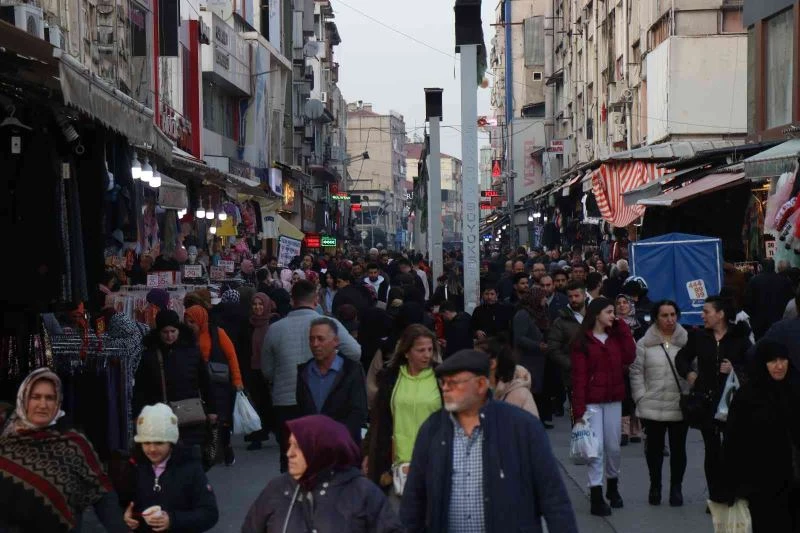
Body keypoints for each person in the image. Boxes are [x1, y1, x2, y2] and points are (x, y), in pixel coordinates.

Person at [400, 349, 579, 533]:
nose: (445, 388)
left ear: (481, 384)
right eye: (443, 382)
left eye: (454, 382)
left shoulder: (522, 428)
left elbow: (554, 500)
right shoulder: (432, 430)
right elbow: (413, 501)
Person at [0, 369, 126, 532]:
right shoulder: (6, 441)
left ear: (58, 401)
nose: (43, 404)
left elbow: (102, 493)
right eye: (35, 397)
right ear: (23, 399)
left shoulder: (74, 443)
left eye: (50, 398)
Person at [262, 280, 362, 472]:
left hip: (285, 401)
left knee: (291, 461)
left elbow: (267, 370)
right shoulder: (329, 325)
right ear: (316, 299)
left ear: (292, 300)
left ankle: (293, 496)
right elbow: (355, 352)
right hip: (321, 400)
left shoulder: (275, 329)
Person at [242, 415, 403, 533]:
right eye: (289, 445)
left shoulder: (363, 493)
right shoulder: (277, 488)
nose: (289, 453)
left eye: (298, 447)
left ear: (322, 450)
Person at [675, 295, 752, 503]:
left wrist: (735, 369)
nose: (703, 315)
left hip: (732, 403)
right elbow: (682, 357)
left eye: (707, 311)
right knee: (712, 450)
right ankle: (715, 495)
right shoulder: (699, 337)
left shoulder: (739, 338)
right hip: (706, 402)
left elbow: (753, 365)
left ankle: (732, 491)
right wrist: (689, 374)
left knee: (732, 448)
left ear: (721, 314)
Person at [717, 340, 800, 532]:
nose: (779, 366)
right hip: (760, 485)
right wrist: (729, 486)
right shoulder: (747, 397)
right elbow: (733, 442)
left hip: (794, 482)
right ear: (762, 363)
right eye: (772, 361)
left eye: (783, 360)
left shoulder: (795, 390)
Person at [571, 296, 636, 516]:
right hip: (592, 403)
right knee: (595, 450)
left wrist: (622, 328)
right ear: (597, 314)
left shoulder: (616, 336)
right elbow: (578, 378)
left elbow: (630, 356)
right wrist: (578, 411)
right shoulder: (583, 342)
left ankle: (613, 486)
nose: (613, 315)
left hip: (614, 399)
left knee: (614, 448)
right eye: (609, 312)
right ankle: (596, 494)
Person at [364, 325, 442, 506]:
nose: (427, 355)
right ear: (406, 352)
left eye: (430, 349)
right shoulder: (390, 378)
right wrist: (368, 452)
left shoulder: (441, 377)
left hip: (433, 462)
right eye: (421, 350)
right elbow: (379, 419)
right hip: (395, 463)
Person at [629, 300, 690, 507]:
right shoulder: (644, 343)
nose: (670, 319)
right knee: (654, 451)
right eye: (665, 315)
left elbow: (695, 369)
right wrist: (640, 397)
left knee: (678, 450)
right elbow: (636, 372)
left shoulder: (687, 340)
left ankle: (676, 488)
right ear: (656, 317)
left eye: (673, 314)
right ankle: (655, 486)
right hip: (651, 406)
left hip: (679, 405)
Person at [122, 404, 219, 533]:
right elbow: (125, 503)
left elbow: (209, 513)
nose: (152, 449)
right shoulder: (135, 467)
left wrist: (173, 520)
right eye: (146, 443)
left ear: (171, 442)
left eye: (159, 443)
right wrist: (127, 516)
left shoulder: (190, 468)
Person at [133, 310, 215, 449]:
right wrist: (137, 414)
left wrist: (213, 410)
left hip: (189, 414)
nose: (169, 336)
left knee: (191, 456)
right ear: (159, 332)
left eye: (173, 331)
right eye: (165, 332)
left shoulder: (191, 351)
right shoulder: (150, 355)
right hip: (160, 415)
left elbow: (205, 381)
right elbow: (141, 388)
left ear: (179, 330)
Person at [184, 305, 244, 467]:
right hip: (196, 384)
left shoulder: (217, 333)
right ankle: (206, 450)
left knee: (221, 419)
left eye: (193, 321)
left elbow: (232, 356)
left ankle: (226, 446)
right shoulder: (185, 338)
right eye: (187, 321)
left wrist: (237, 381)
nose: (189, 325)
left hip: (218, 383)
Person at [296, 318, 368, 445]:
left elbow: (358, 411)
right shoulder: (304, 372)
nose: (315, 344)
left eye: (320, 339)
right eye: (311, 339)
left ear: (335, 341)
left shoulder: (351, 370)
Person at [239, 292, 279, 451]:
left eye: (260, 304)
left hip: (271, 371)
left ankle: (278, 433)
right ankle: (259, 435)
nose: (257, 307)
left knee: (273, 404)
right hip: (253, 370)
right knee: (258, 404)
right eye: (255, 304)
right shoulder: (247, 325)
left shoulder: (274, 323)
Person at [513, 287, 552, 427]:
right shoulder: (523, 314)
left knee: (539, 392)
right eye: (543, 297)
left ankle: (539, 419)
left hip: (539, 359)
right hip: (527, 359)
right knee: (530, 391)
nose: (545, 300)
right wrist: (538, 345)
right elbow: (519, 338)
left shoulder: (540, 313)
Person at [477, 336, 539, 417]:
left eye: (475, 358)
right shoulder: (475, 390)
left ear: (492, 363)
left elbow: (532, 428)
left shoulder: (520, 394)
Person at [547, 281, 587, 403]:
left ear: (584, 296)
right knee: (577, 416)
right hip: (573, 377)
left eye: (576, 296)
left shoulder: (595, 316)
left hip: (596, 375)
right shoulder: (561, 321)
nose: (573, 299)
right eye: (570, 296)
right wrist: (571, 364)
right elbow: (553, 349)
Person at [615, 294, 643, 445]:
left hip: (637, 364)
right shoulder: (612, 324)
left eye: (625, 302)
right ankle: (623, 429)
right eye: (618, 303)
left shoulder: (638, 324)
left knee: (635, 395)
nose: (621, 305)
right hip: (619, 365)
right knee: (623, 395)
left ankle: (635, 428)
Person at [744, 258, 794, 339]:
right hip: (778, 320)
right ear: (774, 266)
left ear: (761, 267)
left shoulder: (754, 281)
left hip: (759, 323)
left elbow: (748, 302)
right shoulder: (784, 281)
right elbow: (790, 300)